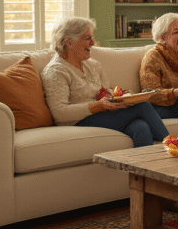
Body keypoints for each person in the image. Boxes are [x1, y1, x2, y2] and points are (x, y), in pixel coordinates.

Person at [41, 16, 170, 147]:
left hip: (102, 116)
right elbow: (60, 113)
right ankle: (173, 145)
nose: (93, 42)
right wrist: (98, 106)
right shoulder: (56, 71)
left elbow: (105, 91)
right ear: (69, 43)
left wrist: (120, 97)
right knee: (143, 106)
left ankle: (147, 166)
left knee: (140, 127)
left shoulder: (92, 65)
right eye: (87, 38)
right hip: (77, 123)